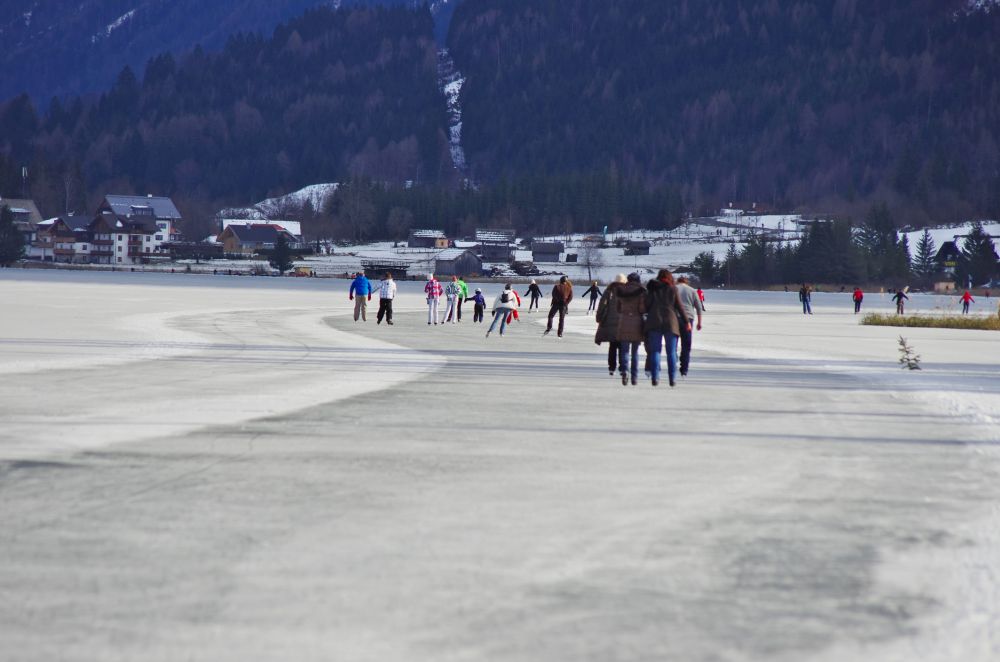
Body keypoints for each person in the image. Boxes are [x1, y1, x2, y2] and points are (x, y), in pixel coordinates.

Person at [645, 269, 689, 387]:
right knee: (671, 352)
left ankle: (655, 377)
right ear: (669, 277)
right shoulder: (673, 289)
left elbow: (646, 305)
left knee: (655, 351)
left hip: (654, 321)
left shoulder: (652, 288)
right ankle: (672, 379)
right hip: (671, 322)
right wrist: (686, 322)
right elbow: (679, 307)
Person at [615, 273, 647, 385]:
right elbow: (642, 309)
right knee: (635, 352)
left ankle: (624, 371)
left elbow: (618, 308)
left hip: (624, 322)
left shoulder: (621, 290)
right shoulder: (642, 291)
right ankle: (634, 377)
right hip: (637, 323)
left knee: (624, 351)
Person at [595, 274, 626, 376]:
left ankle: (611, 367)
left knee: (612, 346)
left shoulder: (609, 291)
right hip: (623, 323)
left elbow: (602, 305)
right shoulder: (627, 292)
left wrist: (599, 317)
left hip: (610, 322)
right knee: (622, 346)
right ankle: (622, 367)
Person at [675, 276, 704, 377]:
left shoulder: (673, 289)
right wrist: (699, 323)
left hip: (674, 319)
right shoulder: (692, 290)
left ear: (677, 281)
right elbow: (699, 307)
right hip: (688, 320)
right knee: (686, 345)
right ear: (686, 282)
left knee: (673, 342)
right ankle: (684, 369)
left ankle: (673, 358)